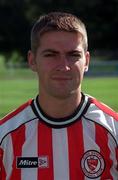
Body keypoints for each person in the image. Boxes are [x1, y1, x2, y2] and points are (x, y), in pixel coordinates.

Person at [0, 11, 118, 180]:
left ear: (87, 61)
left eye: (73, 55)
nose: (64, 67)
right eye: (51, 55)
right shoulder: (5, 137)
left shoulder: (114, 131)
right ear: (32, 60)